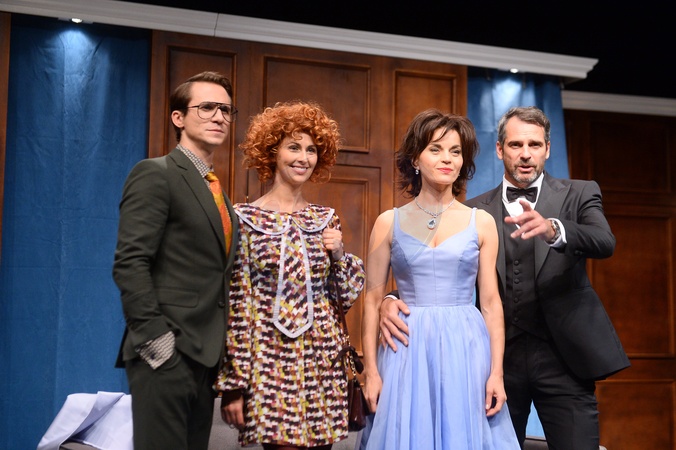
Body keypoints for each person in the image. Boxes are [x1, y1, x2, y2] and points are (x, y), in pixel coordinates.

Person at [380, 106, 630, 450]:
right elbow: (438, 265)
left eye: (534, 144)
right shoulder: (475, 211)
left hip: (564, 360)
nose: (525, 154)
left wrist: (554, 229)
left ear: (547, 149)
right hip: (494, 362)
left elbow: (604, 241)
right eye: (515, 145)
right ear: (499, 150)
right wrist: (391, 298)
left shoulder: (580, 193)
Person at [359, 109, 520, 450]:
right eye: (436, 149)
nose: (447, 158)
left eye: (455, 151)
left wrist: (496, 373)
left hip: (465, 346)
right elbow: (372, 300)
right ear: (415, 158)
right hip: (405, 346)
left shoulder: (481, 222)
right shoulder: (388, 222)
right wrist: (370, 371)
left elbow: (491, 304)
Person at [213, 100, 366, 450]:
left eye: (311, 150)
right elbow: (238, 304)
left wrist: (339, 254)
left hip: (322, 361)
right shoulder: (245, 219)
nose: (304, 158)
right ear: (272, 152)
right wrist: (234, 383)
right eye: (294, 147)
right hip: (269, 361)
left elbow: (344, 297)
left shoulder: (325, 218)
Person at [112, 71, 240, 449]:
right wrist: (157, 341)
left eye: (226, 110)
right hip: (166, 353)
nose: (219, 117)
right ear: (178, 117)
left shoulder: (215, 189)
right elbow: (130, 263)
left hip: (205, 359)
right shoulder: (155, 173)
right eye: (207, 108)